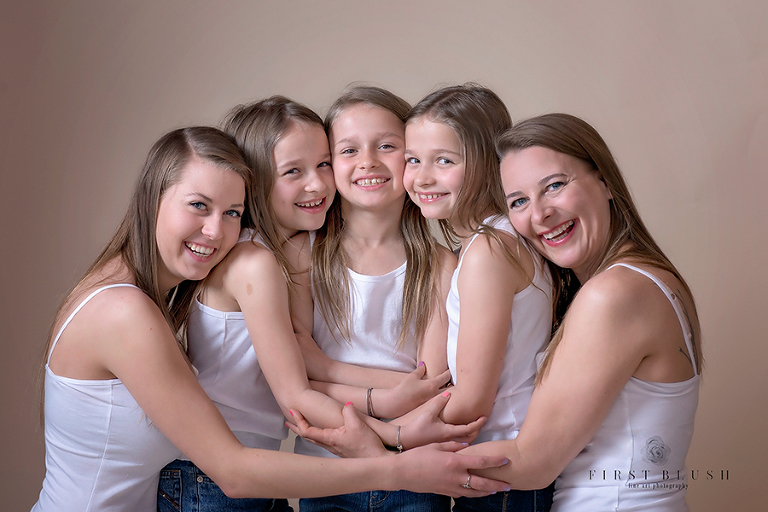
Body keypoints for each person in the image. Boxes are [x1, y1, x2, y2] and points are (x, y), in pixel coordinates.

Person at [31, 125, 513, 512]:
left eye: (233, 212)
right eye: (198, 206)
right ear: (152, 197)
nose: (215, 231)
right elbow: (237, 468)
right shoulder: (123, 312)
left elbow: (304, 370)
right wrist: (396, 461)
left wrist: (387, 411)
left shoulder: (138, 289)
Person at [159, 97, 480, 512]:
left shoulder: (436, 264)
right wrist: (390, 416)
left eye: (322, 164)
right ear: (255, 180)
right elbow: (295, 388)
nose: (317, 183)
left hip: (270, 469)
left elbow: (426, 384)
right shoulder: (276, 259)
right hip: (239, 472)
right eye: (295, 171)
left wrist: (393, 409)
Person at [460, 113, 701, 511]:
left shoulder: (613, 294)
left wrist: (385, 463)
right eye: (519, 201)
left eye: (554, 186)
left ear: (604, 181)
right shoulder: (650, 278)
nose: (539, 215)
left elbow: (530, 463)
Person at [287, 85, 460, 512]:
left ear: (412, 156)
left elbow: (429, 386)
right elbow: (296, 368)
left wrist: (331, 388)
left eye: (387, 146)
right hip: (327, 468)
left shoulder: (440, 265)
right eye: (348, 151)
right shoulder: (302, 254)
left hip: (414, 477)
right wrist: (386, 402)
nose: (368, 161)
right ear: (328, 165)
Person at [402, 84, 556, 511]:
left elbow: (471, 400)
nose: (422, 177)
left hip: (503, 474)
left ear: (489, 164)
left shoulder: (490, 250)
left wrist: (385, 439)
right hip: (494, 469)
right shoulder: (490, 242)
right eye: (413, 160)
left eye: (444, 161)